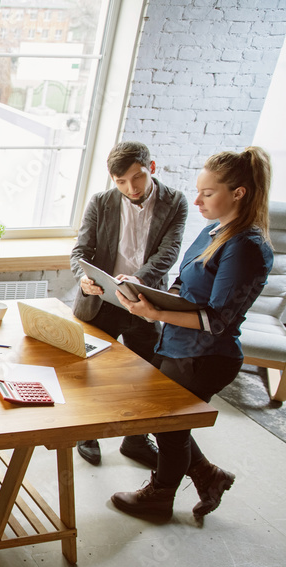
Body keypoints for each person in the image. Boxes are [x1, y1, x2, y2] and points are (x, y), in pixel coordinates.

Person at [112, 146, 274, 520]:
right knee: (169, 422)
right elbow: (186, 286)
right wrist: (145, 291)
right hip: (179, 345)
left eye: (208, 193)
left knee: (168, 426)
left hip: (205, 356)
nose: (197, 200)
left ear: (239, 193)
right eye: (198, 191)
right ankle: (207, 474)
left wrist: (156, 312)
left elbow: (217, 319)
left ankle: (160, 497)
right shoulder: (214, 229)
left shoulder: (246, 246)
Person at [70, 142, 188, 467]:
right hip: (101, 301)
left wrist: (136, 280)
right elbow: (80, 251)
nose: (130, 188)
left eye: (136, 178)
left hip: (145, 301)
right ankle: (87, 432)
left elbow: (169, 252)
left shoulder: (175, 201)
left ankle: (135, 440)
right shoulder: (101, 202)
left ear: (151, 166)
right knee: (90, 370)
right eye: (120, 182)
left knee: (145, 373)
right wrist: (83, 276)